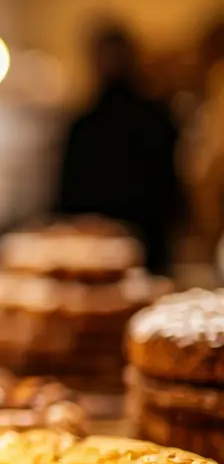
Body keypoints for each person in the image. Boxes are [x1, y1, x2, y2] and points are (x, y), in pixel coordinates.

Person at [54, 21, 186, 276]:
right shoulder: (84, 122)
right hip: (97, 249)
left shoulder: (154, 117)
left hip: (147, 242)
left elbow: (170, 184)